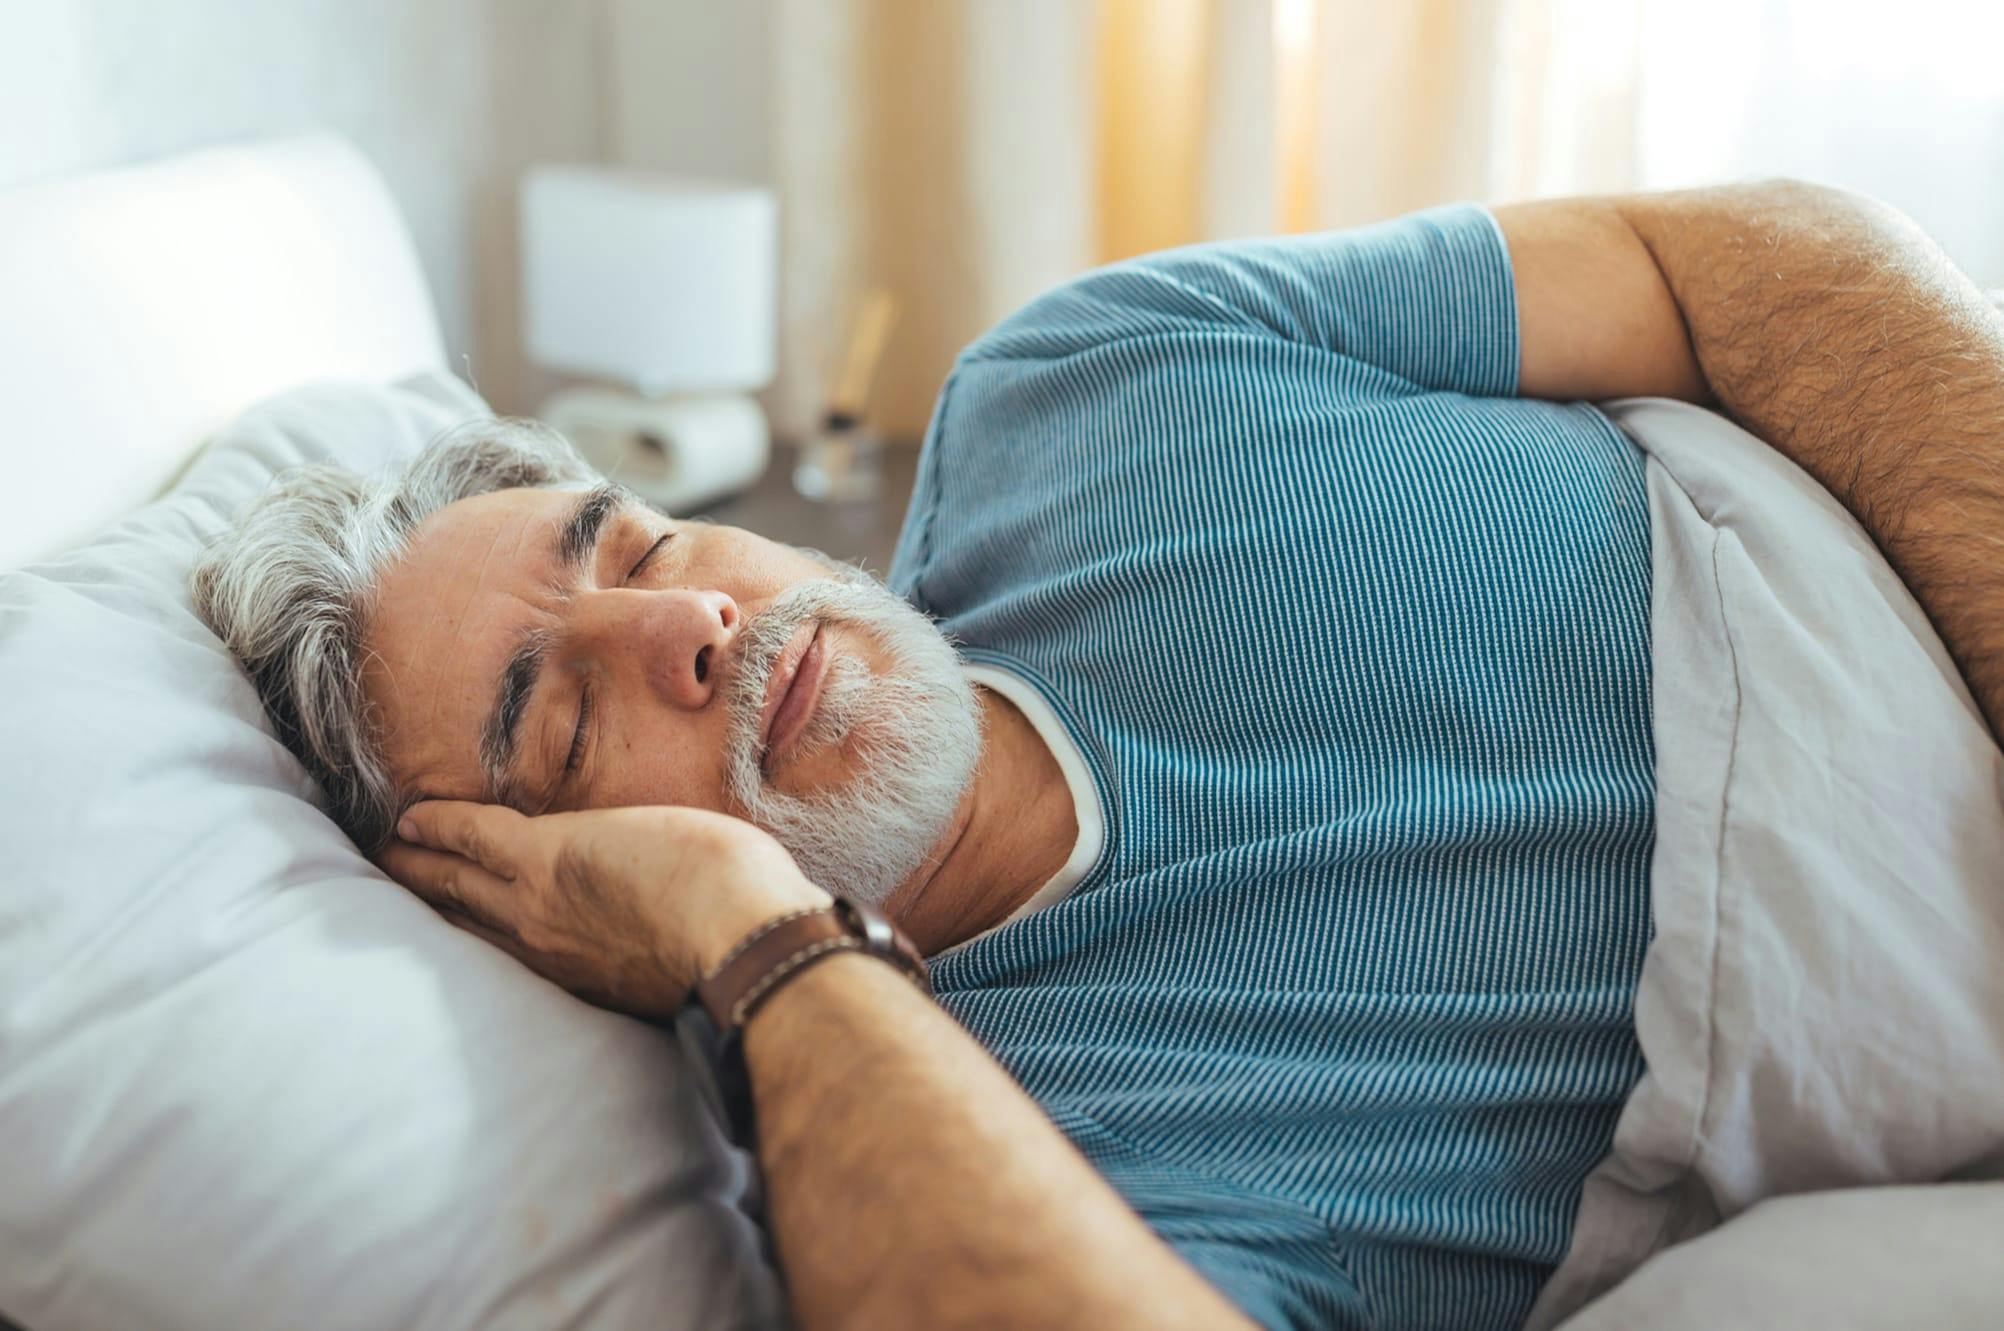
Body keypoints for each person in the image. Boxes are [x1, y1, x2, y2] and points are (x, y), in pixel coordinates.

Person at [194, 181, 2004, 1331]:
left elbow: (1739, 263)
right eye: (569, 723)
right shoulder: (1033, 1156)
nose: (689, 630)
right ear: (537, 906)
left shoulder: (1081, 385)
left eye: (644, 548)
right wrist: (765, 951)